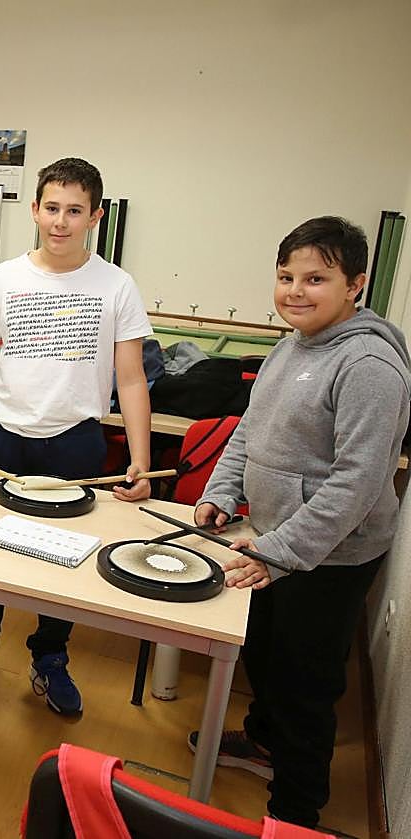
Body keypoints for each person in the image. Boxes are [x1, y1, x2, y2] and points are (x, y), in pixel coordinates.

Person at [188, 216, 409, 828]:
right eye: (286, 277)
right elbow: (248, 433)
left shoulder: (369, 365)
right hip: (273, 541)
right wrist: (220, 492)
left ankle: (295, 815)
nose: (295, 291)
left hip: (330, 555)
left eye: (316, 279)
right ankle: (264, 743)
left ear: (355, 285)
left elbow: (357, 484)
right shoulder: (291, 345)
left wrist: (278, 552)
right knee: (263, 654)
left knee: (304, 685)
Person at [0, 157, 153, 713]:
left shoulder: (116, 286)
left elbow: (131, 379)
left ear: (95, 216)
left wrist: (139, 459)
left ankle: (50, 656)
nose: (61, 221)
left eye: (75, 211)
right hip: (3, 436)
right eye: (52, 208)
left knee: (64, 557)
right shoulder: (4, 279)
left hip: (75, 441)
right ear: (35, 209)